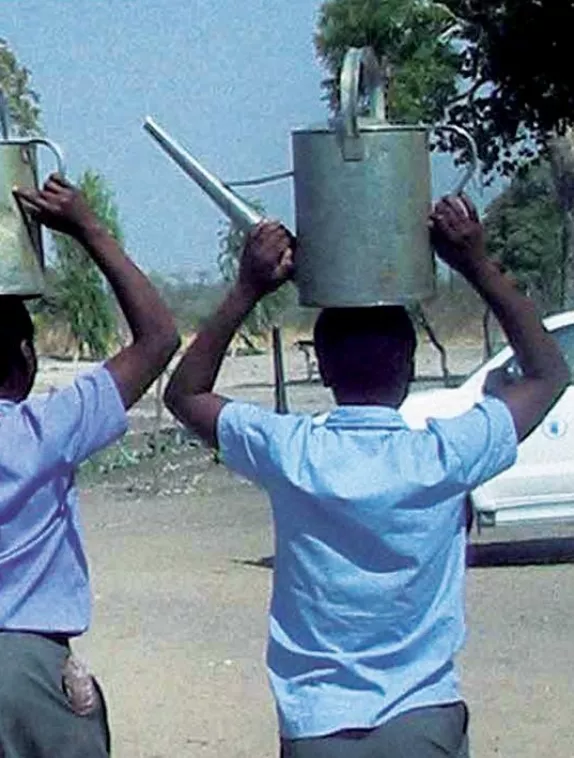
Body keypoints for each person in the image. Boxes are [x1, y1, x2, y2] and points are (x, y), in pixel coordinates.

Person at [163, 198, 569, 758]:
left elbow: (185, 394)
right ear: (408, 366)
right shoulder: (446, 455)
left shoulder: (291, 452)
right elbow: (549, 374)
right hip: (424, 719)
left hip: (319, 724)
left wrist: (247, 290)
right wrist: (475, 264)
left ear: (323, 369)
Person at [0, 174, 180, 757]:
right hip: (31, 671)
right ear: (26, 358)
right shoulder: (48, 428)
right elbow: (157, 339)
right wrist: (88, 229)